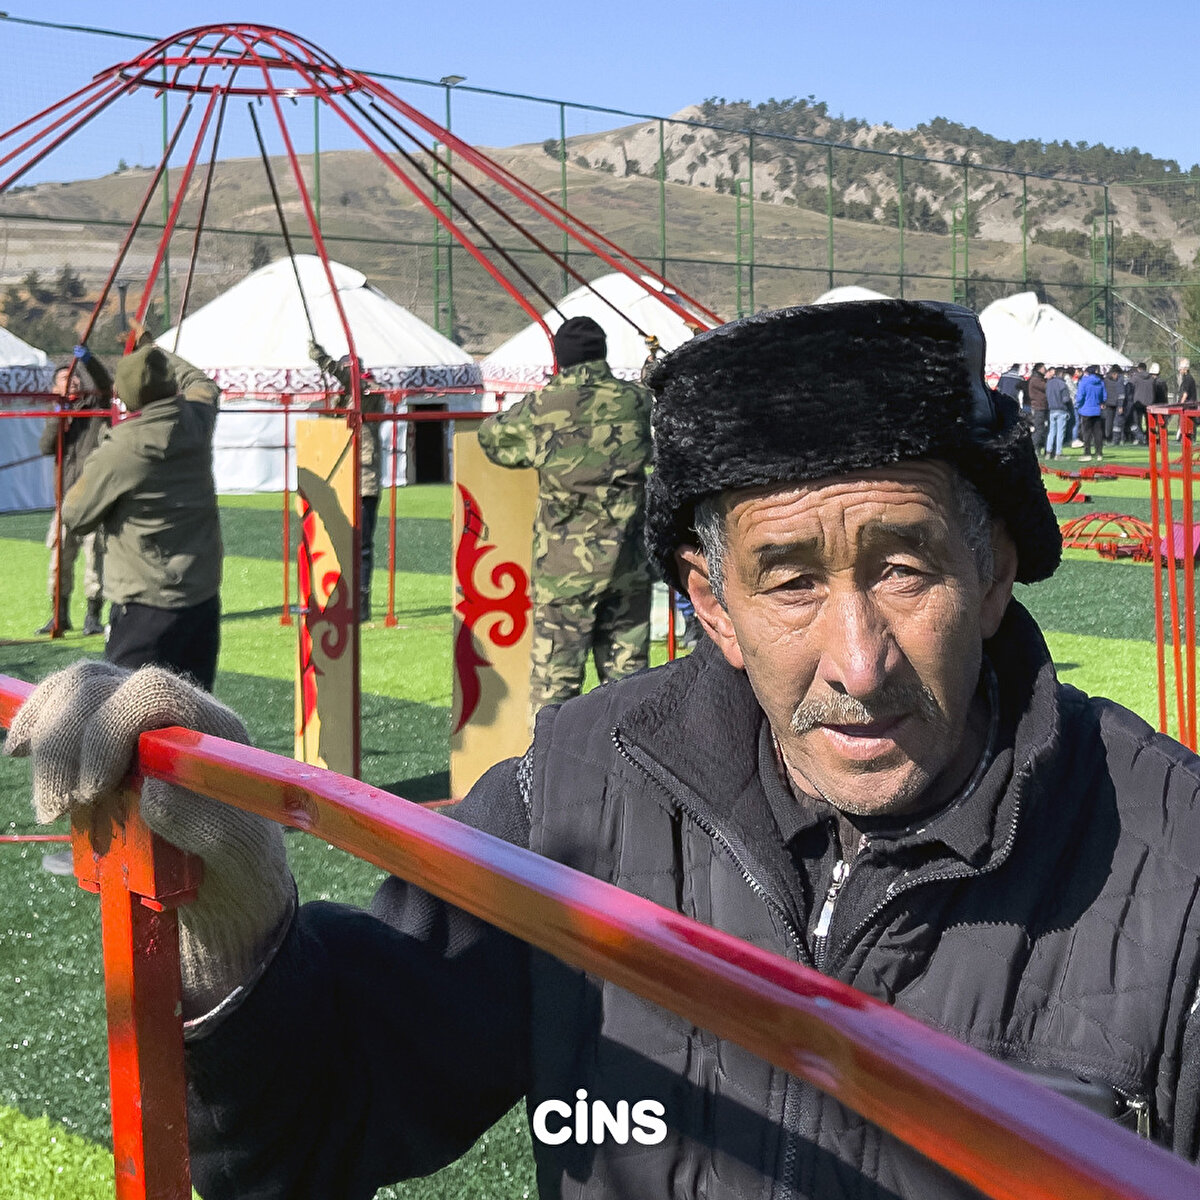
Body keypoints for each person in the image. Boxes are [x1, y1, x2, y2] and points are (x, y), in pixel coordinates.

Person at [10, 299, 1200, 1200]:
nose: (858, 661)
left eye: (904, 567)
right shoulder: (577, 791)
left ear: (991, 573)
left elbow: (501, 448)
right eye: (789, 580)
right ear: (713, 605)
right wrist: (234, 921)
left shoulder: (1176, 863)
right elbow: (317, 1128)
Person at [475, 315, 653, 715]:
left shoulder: (543, 407)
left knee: (556, 690)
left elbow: (492, 438)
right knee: (630, 689)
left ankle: (551, 759)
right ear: (603, 353)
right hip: (628, 565)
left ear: (561, 357)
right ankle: (630, 757)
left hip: (564, 571)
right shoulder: (635, 402)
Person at [60, 342, 223, 691]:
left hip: (144, 607)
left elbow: (75, 515)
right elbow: (201, 382)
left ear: (126, 395)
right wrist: (154, 349)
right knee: (197, 714)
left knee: (129, 714)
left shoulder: (122, 448)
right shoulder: (198, 419)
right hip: (202, 599)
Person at [35, 346, 112, 636]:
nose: (72, 382)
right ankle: (60, 616)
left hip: (93, 499)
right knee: (59, 562)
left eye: (75, 377)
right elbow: (46, 447)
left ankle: (93, 617)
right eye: (64, 379)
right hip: (66, 500)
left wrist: (89, 360)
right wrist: (59, 415)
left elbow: (104, 384)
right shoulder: (56, 415)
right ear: (55, 388)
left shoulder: (96, 406)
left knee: (96, 559)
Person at [309, 341, 385, 620]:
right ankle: (338, 596)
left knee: (361, 545)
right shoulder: (341, 399)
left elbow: (352, 383)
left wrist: (323, 360)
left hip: (364, 481)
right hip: (339, 480)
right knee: (336, 541)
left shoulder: (369, 393)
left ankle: (361, 603)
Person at [1075, 364, 1107, 460]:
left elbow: (1080, 396)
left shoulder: (1083, 382)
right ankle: (1099, 453)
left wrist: (1078, 405)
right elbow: (1104, 396)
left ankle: (1087, 453)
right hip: (1096, 410)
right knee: (1098, 432)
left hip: (1085, 410)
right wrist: (1100, 402)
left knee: (1086, 433)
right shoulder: (1100, 382)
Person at [1044, 365, 1070, 458]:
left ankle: (1048, 452)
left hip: (1051, 410)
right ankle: (1058, 453)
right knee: (1060, 433)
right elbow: (1066, 399)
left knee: (1051, 432)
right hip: (1061, 410)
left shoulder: (1048, 384)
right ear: (1062, 374)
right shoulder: (1062, 384)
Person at [1125, 361, 1154, 445]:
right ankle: (1149, 438)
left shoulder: (1135, 378)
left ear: (1138, 369)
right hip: (1149, 402)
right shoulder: (1151, 378)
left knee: (1137, 421)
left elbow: (1129, 387)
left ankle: (1140, 438)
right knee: (1149, 422)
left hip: (1138, 402)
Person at [1025, 361, 1047, 454]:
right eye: (1044, 368)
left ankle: (1038, 447)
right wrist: (1048, 379)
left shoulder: (1038, 379)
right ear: (1039, 369)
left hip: (1041, 405)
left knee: (1041, 428)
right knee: (1039, 428)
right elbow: (1045, 387)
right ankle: (1034, 447)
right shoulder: (1036, 380)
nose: (1045, 370)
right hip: (1039, 406)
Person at [1102, 364, 1127, 444]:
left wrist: (1103, 402)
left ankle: (1108, 437)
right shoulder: (1120, 380)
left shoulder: (1105, 380)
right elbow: (1121, 393)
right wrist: (1121, 405)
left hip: (1108, 403)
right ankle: (1119, 438)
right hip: (1117, 404)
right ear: (1115, 373)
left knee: (1108, 422)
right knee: (1118, 422)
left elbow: (1103, 392)